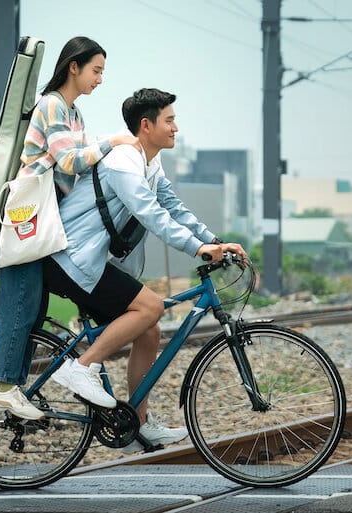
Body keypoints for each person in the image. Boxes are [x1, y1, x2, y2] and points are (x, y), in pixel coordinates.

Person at [44, 88, 248, 451]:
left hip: (88, 261)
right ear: (146, 125)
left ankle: (138, 425)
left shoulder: (150, 162)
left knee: (150, 331)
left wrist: (214, 240)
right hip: (71, 259)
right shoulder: (124, 160)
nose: (176, 128)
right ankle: (82, 367)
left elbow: (174, 207)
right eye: (169, 121)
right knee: (151, 307)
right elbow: (149, 212)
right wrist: (198, 249)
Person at [0, 37, 138, 421]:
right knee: (20, 307)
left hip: (44, 223)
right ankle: (3, 388)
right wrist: (115, 141)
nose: (100, 79)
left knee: (34, 308)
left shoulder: (73, 113)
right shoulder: (53, 104)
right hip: (28, 220)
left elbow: (82, 163)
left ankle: (14, 390)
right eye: (96, 70)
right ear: (74, 66)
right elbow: (70, 161)